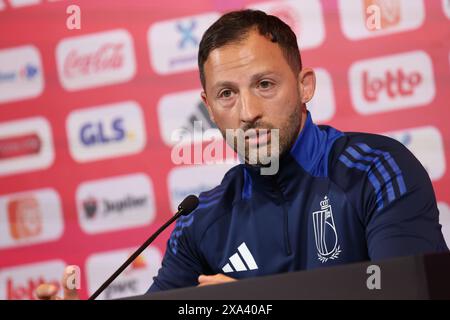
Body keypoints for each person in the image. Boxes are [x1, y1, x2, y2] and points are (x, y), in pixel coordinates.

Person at [36, 9, 448, 299]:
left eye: (265, 84)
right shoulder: (200, 220)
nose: (248, 113)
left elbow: (410, 293)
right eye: (227, 94)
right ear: (209, 107)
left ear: (305, 85)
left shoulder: (376, 171)